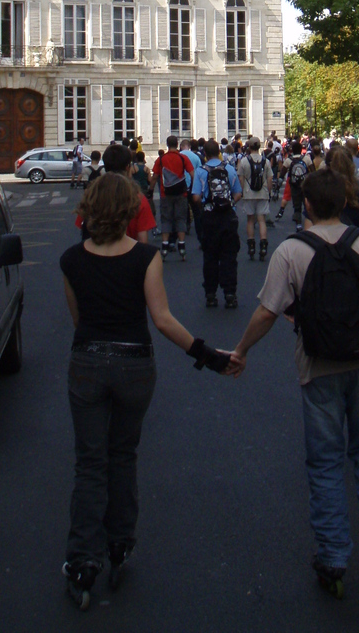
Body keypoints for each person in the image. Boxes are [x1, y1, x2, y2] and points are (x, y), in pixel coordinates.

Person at [60, 174, 235, 609]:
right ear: (127, 213)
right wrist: (208, 355)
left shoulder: (70, 260)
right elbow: (162, 320)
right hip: (135, 363)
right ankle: (119, 545)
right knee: (123, 455)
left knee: (89, 463)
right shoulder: (145, 257)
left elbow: (78, 320)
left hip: (88, 361)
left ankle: (83, 560)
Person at [231, 169, 359, 598]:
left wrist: (242, 350)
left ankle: (333, 556)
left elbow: (268, 312)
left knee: (325, 464)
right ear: (345, 203)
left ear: (306, 205)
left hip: (318, 367)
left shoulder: (291, 251)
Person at [193, 139, 242, 308]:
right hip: (228, 216)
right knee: (229, 255)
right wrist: (229, 204)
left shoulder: (200, 171)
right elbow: (238, 193)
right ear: (219, 152)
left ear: (205, 154)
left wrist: (205, 206)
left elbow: (196, 197)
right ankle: (230, 293)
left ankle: (211, 294)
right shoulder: (229, 169)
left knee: (210, 256)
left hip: (209, 216)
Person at [157, 135, 195, 261]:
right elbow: (192, 173)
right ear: (177, 144)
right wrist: (193, 188)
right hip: (181, 193)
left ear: (167, 145)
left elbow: (154, 177)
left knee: (166, 219)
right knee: (180, 218)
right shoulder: (182, 158)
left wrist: (151, 190)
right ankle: (182, 245)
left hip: (165, 193)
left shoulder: (161, 159)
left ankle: (165, 245)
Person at [238, 136, 271, 261]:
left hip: (249, 193)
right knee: (261, 220)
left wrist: (243, 190)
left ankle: (251, 245)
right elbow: (269, 178)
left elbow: (240, 177)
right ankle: (263, 243)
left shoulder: (244, 161)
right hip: (262, 193)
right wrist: (268, 191)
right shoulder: (265, 161)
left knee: (250, 220)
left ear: (249, 147)